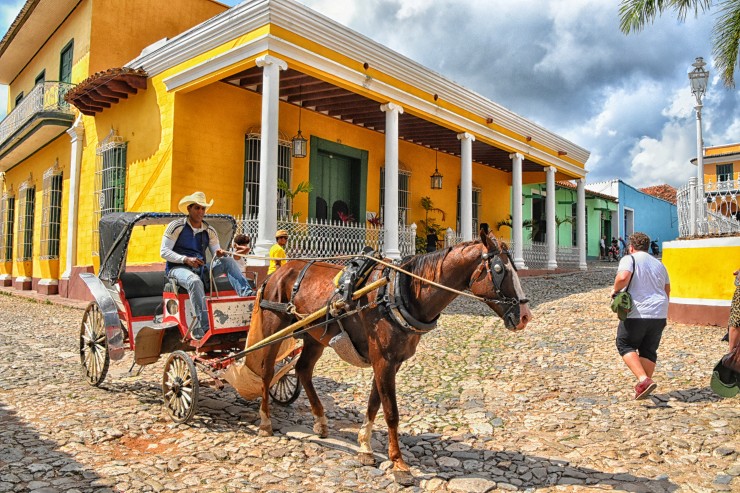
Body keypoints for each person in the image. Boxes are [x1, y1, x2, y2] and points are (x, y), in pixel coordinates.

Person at [160, 191, 254, 340]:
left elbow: (216, 252)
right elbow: (164, 252)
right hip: (177, 269)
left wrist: (221, 253)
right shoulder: (176, 226)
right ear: (189, 209)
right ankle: (204, 326)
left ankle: (247, 295)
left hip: (201, 268)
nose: (201, 212)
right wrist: (185, 259)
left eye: (203, 208)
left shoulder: (209, 230)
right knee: (194, 281)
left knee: (228, 261)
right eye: (197, 208)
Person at [610, 232, 670, 400]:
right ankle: (644, 386)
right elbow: (667, 290)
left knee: (624, 343)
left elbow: (622, 277)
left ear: (631, 247)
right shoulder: (659, 264)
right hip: (660, 312)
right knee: (648, 349)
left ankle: (643, 379)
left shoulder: (630, 259)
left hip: (638, 311)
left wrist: (615, 290)